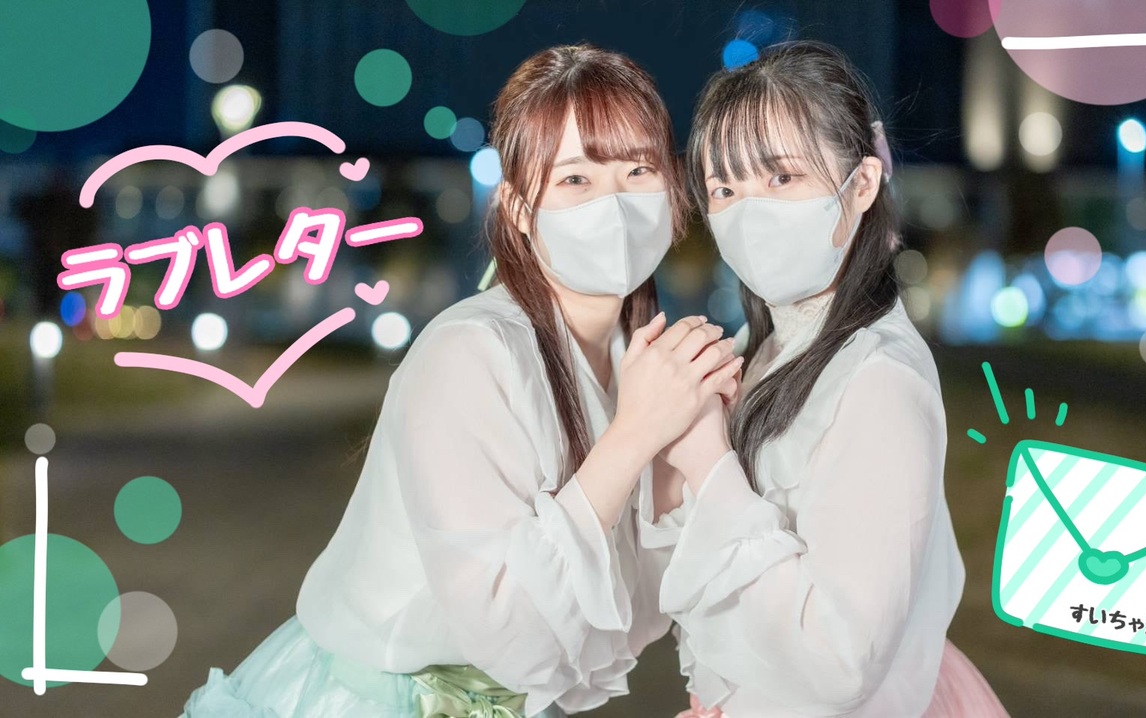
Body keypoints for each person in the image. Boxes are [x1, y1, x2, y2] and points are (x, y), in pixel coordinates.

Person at [181, 44, 741, 718]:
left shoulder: (638, 361)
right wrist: (633, 439)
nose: (614, 205)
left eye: (638, 170)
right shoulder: (470, 354)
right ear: (518, 209)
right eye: (575, 179)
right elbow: (506, 630)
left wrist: (677, 477)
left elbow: (624, 617)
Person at [641, 41, 1009, 717]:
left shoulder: (879, 381)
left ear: (862, 185)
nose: (749, 211)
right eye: (725, 190)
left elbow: (841, 660)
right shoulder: (759, 349)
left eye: (782, 177)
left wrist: (707, 462)